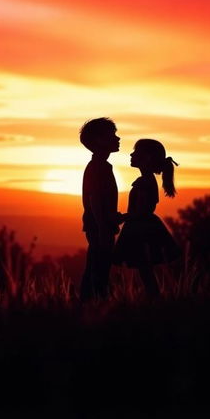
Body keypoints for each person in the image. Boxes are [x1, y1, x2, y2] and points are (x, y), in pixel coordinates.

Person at [113, 139, 182, 298]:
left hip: (141, 229)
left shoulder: (145, 182)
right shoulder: (146, 180)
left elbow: (142, 211)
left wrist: (123, 217)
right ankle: (153, 298)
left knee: (144, 267)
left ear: (147, 157)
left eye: (136, 152)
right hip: (143, 226)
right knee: (144, 268)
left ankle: (154, 298)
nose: (131, 154)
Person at [79, 117, 122, 301]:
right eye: (112, 135)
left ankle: (88, 302)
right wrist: (103, 226)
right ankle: (96, 303)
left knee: (95, 266)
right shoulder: (98, 167)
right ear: (98, 140)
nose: (118, 138)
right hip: (100, 227)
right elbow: (94, 199)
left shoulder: (100, 166)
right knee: (99, 268)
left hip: (99, 225)